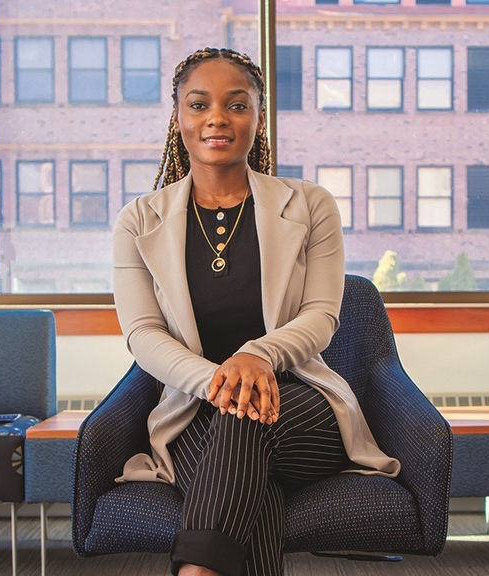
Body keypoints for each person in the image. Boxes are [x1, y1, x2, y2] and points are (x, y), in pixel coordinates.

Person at [112, 47, 401, 576]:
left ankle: (195, 571)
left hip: (301, 407)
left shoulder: (310, 204)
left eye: (237, 105)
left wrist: (259, 357)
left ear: (259, 117)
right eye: (199, 104)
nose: (217, 117)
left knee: (245, 425)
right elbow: (142, 334)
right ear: (178, 118)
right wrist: (218, 381)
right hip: (195, 409)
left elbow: (321, 316)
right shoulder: (139, 220)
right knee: (249, 483)